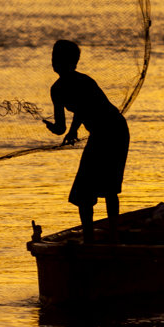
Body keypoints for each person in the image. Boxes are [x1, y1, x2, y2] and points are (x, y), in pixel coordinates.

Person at [43, 39, 130, 243]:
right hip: (99, 134)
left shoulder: (84, 82)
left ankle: (113, 236)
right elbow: (61, 127)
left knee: (109, 187)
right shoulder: (56, 90)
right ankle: (90, 238)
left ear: (73, 62)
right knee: (84, 190)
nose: (56, 63)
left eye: (61, 59)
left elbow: (83, 107)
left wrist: (72, 131)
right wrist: (53, 128)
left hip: (114, 130)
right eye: (54, 58)